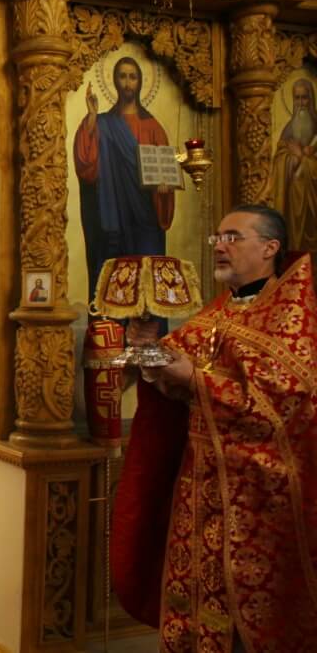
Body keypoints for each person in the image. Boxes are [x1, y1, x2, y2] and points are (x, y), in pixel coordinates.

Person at [112, 204, 317, 651]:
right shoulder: (218, 313)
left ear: (270, 247)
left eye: (233, 237)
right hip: (200, 493)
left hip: (261, 503)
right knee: (199, 605)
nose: (220, 246)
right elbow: (174, 373)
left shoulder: (292, 318)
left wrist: (194, 379)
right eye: (217, 238)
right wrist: (148, 351)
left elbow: (283, 408)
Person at [74, 56, 175, 298]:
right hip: (112, 217)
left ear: (139, 82)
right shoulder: (102, 123)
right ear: (114, 81)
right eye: (122, 76)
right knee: (115, 281)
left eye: (133, 77)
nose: (128, 83)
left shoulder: (153, 127)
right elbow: (86, 164)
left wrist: (164, 188)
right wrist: (91, 116)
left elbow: (166, 172)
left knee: (146, 277)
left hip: (145, 215)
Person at [273, 78, 317, 251]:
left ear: (311, 99)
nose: (300, 103)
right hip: (293, 201)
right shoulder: (289, 129)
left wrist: (304, 160)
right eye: (297, 98)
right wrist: (292, 159)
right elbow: (278, 157)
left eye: (304, 98)